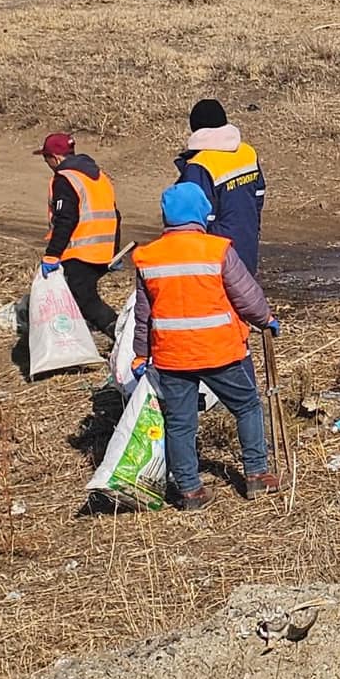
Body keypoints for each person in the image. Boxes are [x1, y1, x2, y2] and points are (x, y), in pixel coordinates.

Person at [130, 182, 279, 509]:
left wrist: (141, 353)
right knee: (247, 406)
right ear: (202, 213)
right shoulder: (217, 250)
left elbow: (144, 314)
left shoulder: (147, 257)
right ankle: (256, 475)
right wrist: (266, 318)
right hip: (219, 351)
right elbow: (246, 294)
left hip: (172, 355)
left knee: (181, 423)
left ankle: (190, 491)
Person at [36, 133, 122, 339]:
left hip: (81, 250)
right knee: (81, 299)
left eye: (45, 158)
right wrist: (114, 251)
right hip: (103, 249)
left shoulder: (65, 179)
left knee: (84, 299)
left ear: (55, 158)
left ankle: (123, 336)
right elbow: (115, 214)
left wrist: (52, 255)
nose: (46, 163)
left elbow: (65, 219)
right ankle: (87, 336)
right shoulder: (99, 176)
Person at [174, 99, 266, 275]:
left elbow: (194, 218)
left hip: (216, 256)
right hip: (247, 243)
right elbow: (259, 195)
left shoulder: (200, 166)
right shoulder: (247, 152)